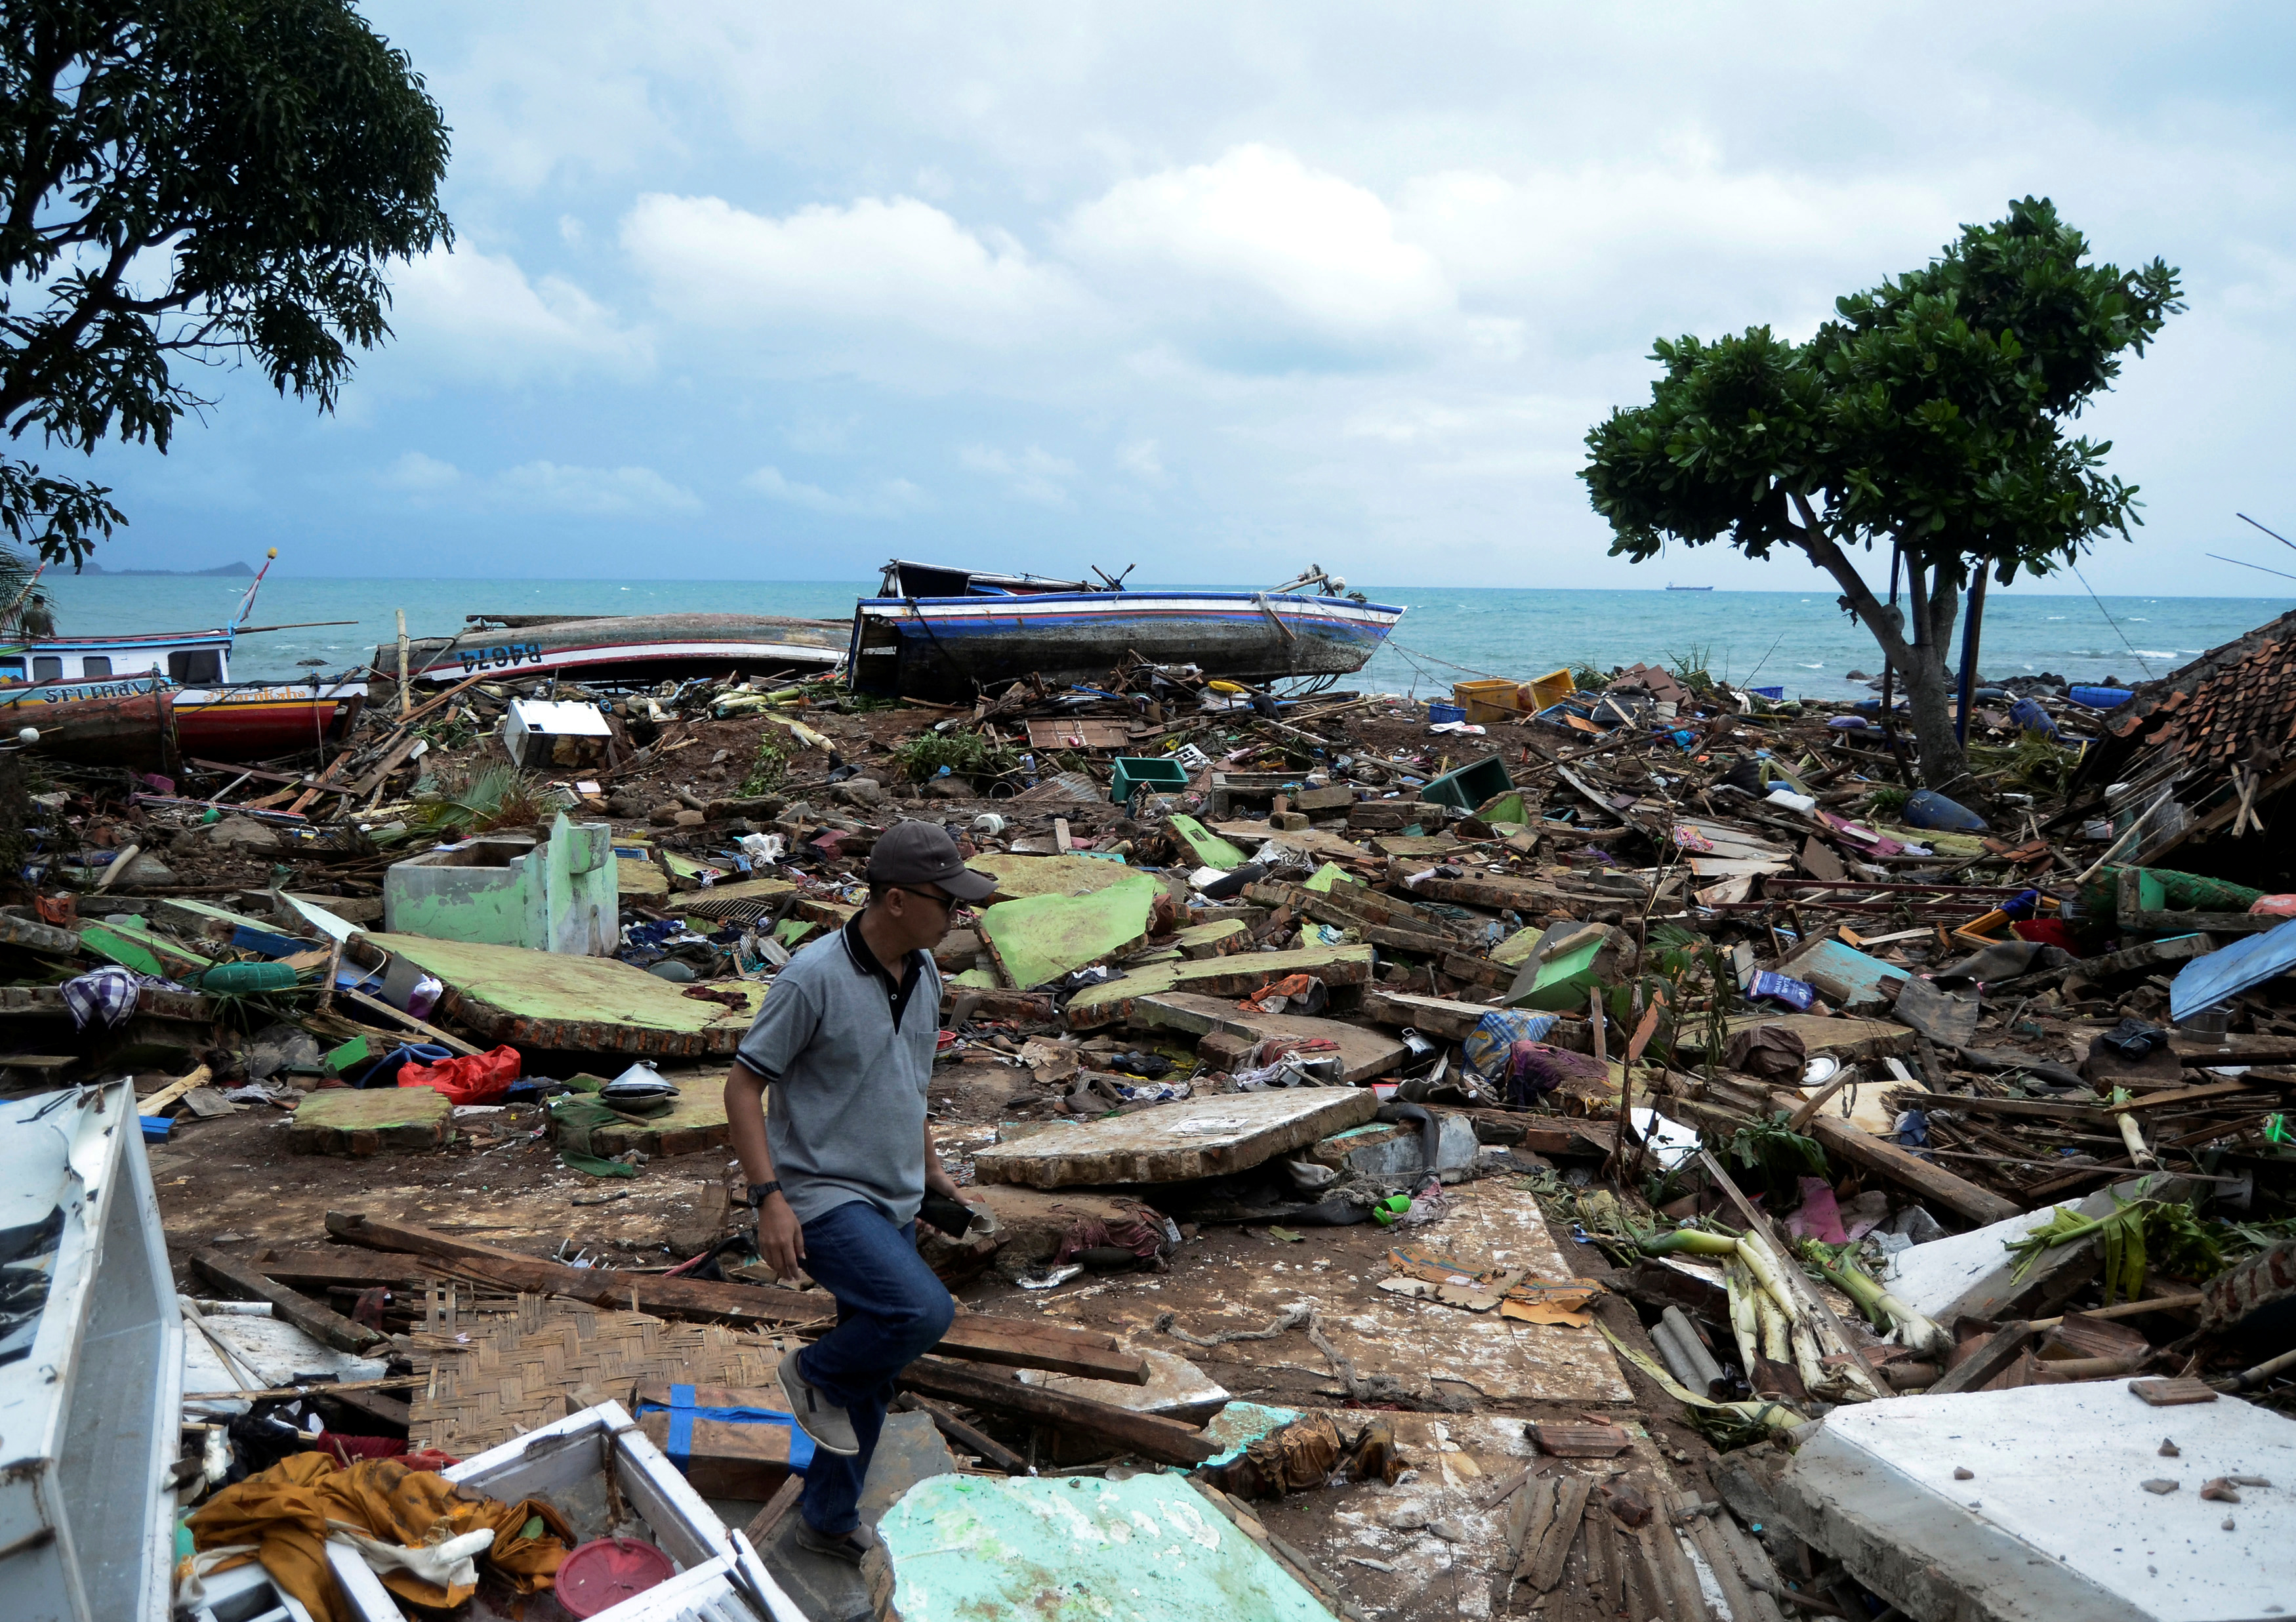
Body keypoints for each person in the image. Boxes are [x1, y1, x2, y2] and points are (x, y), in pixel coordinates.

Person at [722, 819, 996, 1565]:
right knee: (918, 1311)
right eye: (950, 903)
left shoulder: (925, 973)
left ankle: (828, 1516)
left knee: (872, 1378)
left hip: (895, 1194)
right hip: (822, 1193)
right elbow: (743, 1088)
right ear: (900, 899)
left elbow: (908, 1088)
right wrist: (767, 1198)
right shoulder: (812, 977)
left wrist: (932, 1172)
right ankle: (810, 1372)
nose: (959, 916)